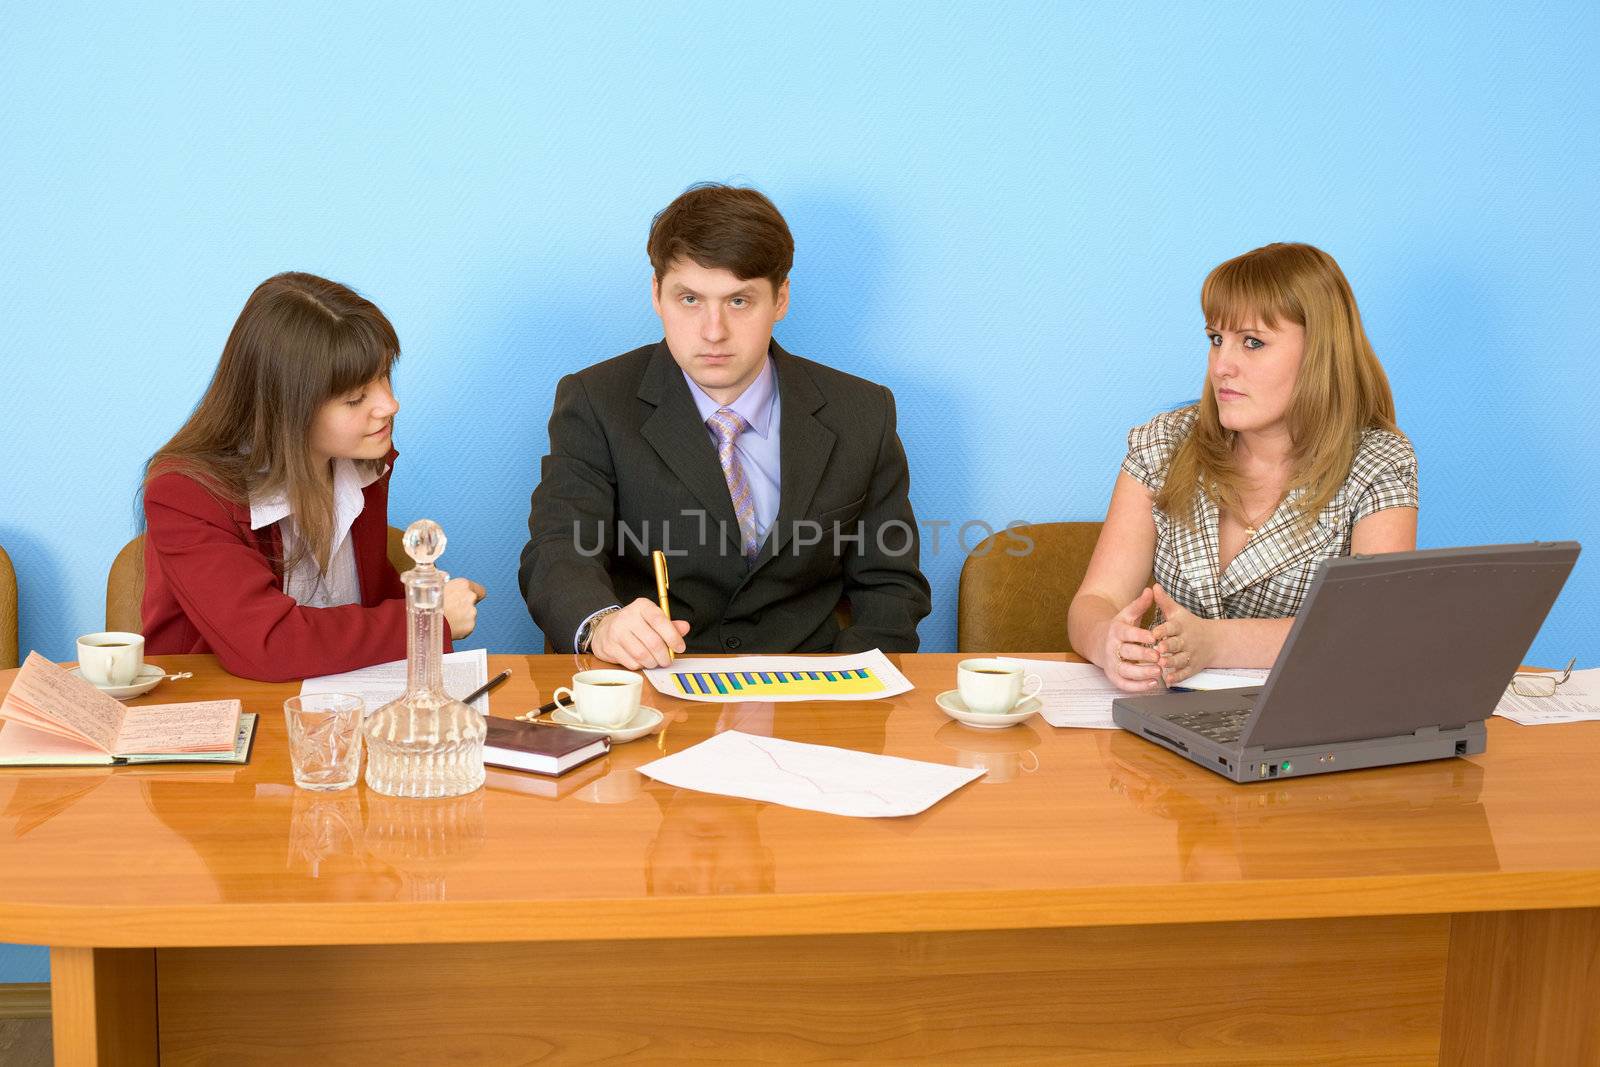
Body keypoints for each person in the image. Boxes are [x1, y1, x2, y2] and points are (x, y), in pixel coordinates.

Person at [520, 183, 932, 667]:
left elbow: (890, 582)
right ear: (657, 295)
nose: (713, 331)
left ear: (780, 300)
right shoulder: (596, 400)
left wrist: (852, 683)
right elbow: (558, 548)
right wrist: (603, 623)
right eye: (690, 299)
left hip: (815, 690)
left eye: (739, 301)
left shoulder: (862, 410)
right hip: (655, 683)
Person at [1068, 243, 1417, 690]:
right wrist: (1107, 642)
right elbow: (1096, 600)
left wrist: (1216, 643)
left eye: (1252, 342)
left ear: (1319, 353)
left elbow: (1372, 630)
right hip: (1166, 721)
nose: (1222, 367)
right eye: (1216, 339)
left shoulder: (1379, 464)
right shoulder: (1164, 443)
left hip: (1301, 730)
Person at [141, 272, 485, 682]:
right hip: (216, 717)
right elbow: (268, 644)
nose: (389, 404)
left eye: (384, 376)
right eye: (356, 398)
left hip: (333, 704)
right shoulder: (184, 493)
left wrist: (423, 596)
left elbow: (354, 605)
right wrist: (425, 622)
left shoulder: (363, 462)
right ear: (287, 408)